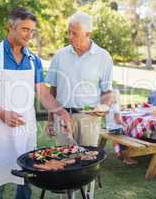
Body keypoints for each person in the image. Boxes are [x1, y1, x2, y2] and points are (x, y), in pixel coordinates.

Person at [0, 7, 71, 199]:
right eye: (25, 29)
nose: (29, 35)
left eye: (32, 31)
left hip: (26, 131)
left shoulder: (33, 60)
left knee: (26, 181)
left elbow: (42, 93)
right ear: (10, 27)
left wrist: (62, 112)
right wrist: (3, 114)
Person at [46, 11, 113, 147]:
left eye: (74, 33)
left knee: (87, 161)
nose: (70, 37)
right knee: (64, 161)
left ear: (88, 33)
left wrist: (104, 106)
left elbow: (107, 92)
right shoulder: (59, 56)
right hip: (62, 116)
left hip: (89, 119)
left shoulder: (103, 57)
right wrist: (50, 120)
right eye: (69, 32)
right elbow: (53, 90)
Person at [104, 90, 137, 165]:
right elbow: (118, 120)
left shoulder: (108, 106)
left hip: (109, 129)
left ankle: (119, 153)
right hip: (116, 129)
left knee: (122, 137)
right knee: (125, 143)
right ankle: (127, 159)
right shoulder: (116, 106)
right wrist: (125, 125)